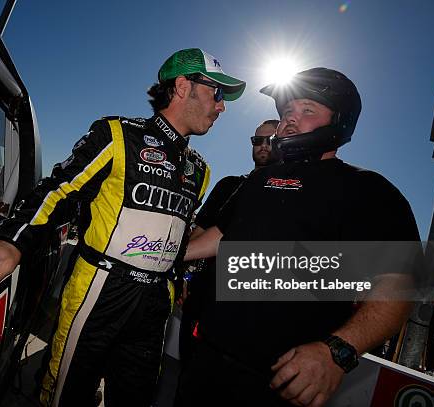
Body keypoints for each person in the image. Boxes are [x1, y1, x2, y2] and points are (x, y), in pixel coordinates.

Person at [0, 48, 245, 407]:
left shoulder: (200, 168)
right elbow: (58, 191)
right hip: (101, 286)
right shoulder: (117, 134)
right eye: (217, 93)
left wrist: (175, 277)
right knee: (66, 392)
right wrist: (13, 241)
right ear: (182, 86)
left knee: (137, 397)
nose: (221, 106)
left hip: (155, 301)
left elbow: (176, 234)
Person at [174, 67, 420, 407]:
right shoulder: (259, 181)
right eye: (287, 111)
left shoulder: (368, 190)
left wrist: (337, 352)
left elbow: (399, 284)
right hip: (207, 360)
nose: (290, 119)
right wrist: (163, 252)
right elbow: (221, 236)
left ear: (339, 121)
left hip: (283, 379)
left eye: (307, 110)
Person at [179, 118, 279, 362]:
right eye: (257, 140)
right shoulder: (229, 185)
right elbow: (200, 235)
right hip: (203, 301)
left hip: (254, 315)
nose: (263, 145)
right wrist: (181, 274)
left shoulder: (292, 194)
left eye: (271, 140)